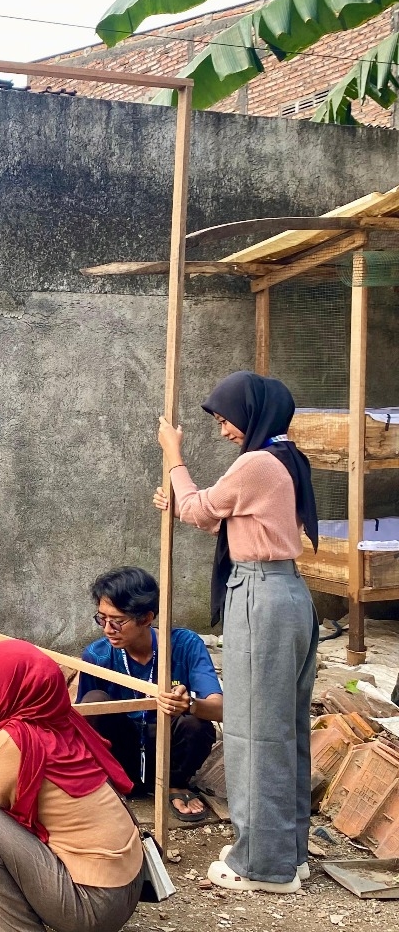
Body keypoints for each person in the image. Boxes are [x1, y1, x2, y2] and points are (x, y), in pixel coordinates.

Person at [155, 370, 318, 893]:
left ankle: (262, 867)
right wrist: (183, 501)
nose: (224, 429)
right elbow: (216, 516)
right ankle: (287, 855)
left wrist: (174, 454)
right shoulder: (286, 457)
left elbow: (201, 507)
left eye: (227, 419)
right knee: (283, 729)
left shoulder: (256, 463)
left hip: (261, 596)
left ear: (251, 415)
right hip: (290, 595)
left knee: (252, 730)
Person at [0, 639, 143, 932]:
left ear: (6, 692)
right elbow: (3, 719)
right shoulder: (56, 714)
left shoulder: (17, 742)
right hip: (130, 886)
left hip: (90, 906)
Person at [78, 566, 223, 822]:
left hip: (168, 752)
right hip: (121, 753)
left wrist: (189, 705)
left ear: (146, 618)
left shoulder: (184, 645)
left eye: (118, 621)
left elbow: (220, 709)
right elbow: (82, 727)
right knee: (94, 702)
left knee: (194, 722)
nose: (108, 629)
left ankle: (176, 784)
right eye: (102, 618)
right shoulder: (97, 655)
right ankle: (113, 781)